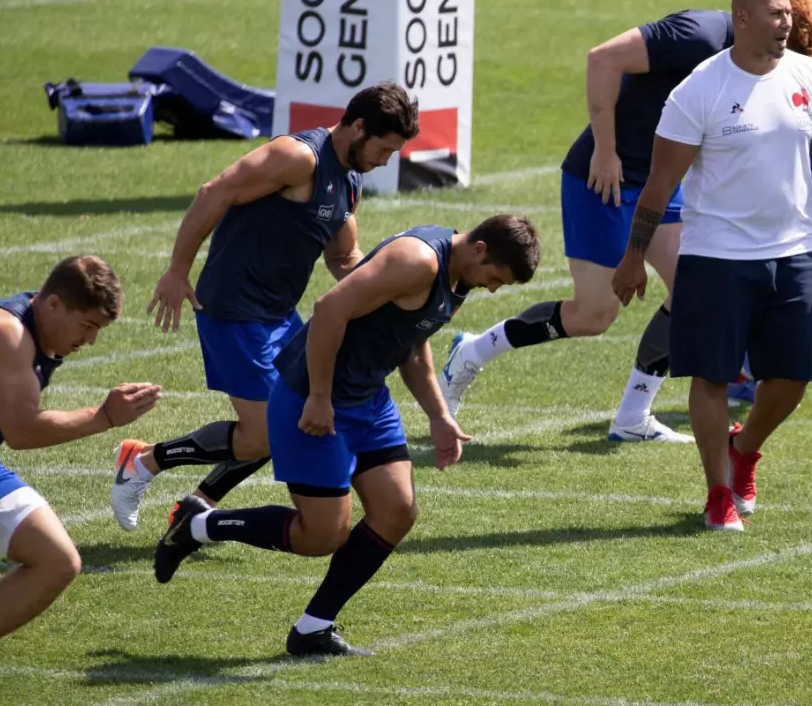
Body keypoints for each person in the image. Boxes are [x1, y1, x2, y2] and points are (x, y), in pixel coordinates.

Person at [436, 0, 812, 442]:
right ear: (750, 25)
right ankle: (473, 352)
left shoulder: (753, 66)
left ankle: (632, 417)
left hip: (661, 182)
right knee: (594, 314)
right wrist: (605, 150)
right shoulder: (696, 34)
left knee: (693, 290)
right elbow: (603, 58)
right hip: (606, 179)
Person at [151, 216, 541, 657]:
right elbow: (330, 308)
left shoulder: (458, 272)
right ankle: (199, 525)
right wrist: (318, 396)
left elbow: (413, 341)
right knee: (321, 536)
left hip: (367, 399)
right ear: (481, 249)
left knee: (397, 510)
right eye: (495, 279)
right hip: (314, 402)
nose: (492, 289)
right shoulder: (417, 261)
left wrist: (438, 415)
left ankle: (313, 629)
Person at [612, 0, 812, 532]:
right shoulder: (698, 90)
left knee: (793, 377)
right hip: (714, 257)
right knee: (711, 377)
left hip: (793, 251)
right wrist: (634, 256)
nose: (787, 25)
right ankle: (718, 493)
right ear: (743, 19)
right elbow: (659, 184)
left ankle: (744, 448)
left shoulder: (808, 76)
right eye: (775, 15)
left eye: (788, 16)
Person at [109, 82, 419, 534]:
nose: (385, 161)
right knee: (270, 433)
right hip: (235, 311)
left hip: (279, 317)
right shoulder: (298, 157)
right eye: (384, 148)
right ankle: (143, 461)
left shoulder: (349, 180)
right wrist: (177, 270)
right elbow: (214, 191)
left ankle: (200, 502)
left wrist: (383, 294)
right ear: (357, 127)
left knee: (287, 423)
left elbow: (343, 257)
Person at [0, 256, 161, 706]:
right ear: (53, 304)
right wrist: (104, 417)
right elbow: (21, 430)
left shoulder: (43, 330)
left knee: (57, 562)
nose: (91, 340)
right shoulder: (4, 333)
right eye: (88, 325)